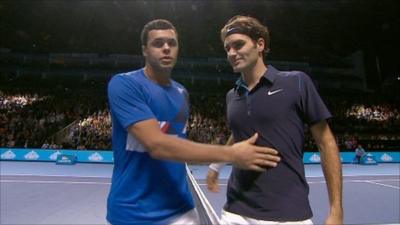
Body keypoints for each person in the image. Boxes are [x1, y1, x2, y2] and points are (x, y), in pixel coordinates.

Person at [106, 19, 281, 225]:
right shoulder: (125, 84)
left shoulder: (181, 93)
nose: (166, 48)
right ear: (145, 50)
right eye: (158, 43)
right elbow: (157, 145)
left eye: (172, 43)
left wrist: (215, 167)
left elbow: (178, 145)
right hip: (132, 213)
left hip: (182, 211)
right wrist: (230, 154)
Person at [206, 15, 343, 225]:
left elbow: (326, 143)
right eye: (227, 48)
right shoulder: (231, 96)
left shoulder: (296, 82)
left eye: (238, 45)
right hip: (235, 213)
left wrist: (336, 210)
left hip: (287, 214)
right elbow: (240, 132)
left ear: (260, 44)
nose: (232, 53)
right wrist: (216, 167)